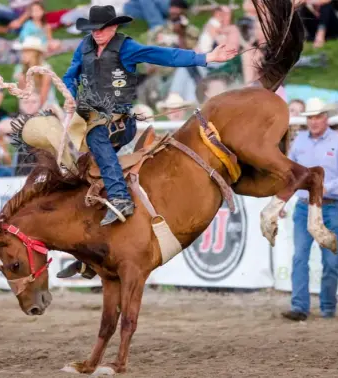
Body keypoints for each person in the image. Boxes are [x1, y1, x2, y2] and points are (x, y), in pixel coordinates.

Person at [56, 4, 237, 279]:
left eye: (102, 29)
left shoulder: (127, 48)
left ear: (114, 27)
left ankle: (120, 197)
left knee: (96, 137)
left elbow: (164, 55)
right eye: (94, 30)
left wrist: (206, 57)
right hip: (92, 119)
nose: (97, 34)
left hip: (121, 123)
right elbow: (70, 75)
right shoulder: (84, 47)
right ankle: (87, 256)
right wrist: (69, 94)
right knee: (81, 176)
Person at [282, 97, 338, 321]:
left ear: (326, 118)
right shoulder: (299, 142)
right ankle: (300, 307)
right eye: (310, 118)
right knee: (299, 257)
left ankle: (327, 306)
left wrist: (327, 188)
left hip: (330, 206)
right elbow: (289, 173)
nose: (314, 121)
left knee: (330, 262)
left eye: (318, 117)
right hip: (305, 207)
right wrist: (281, 201)